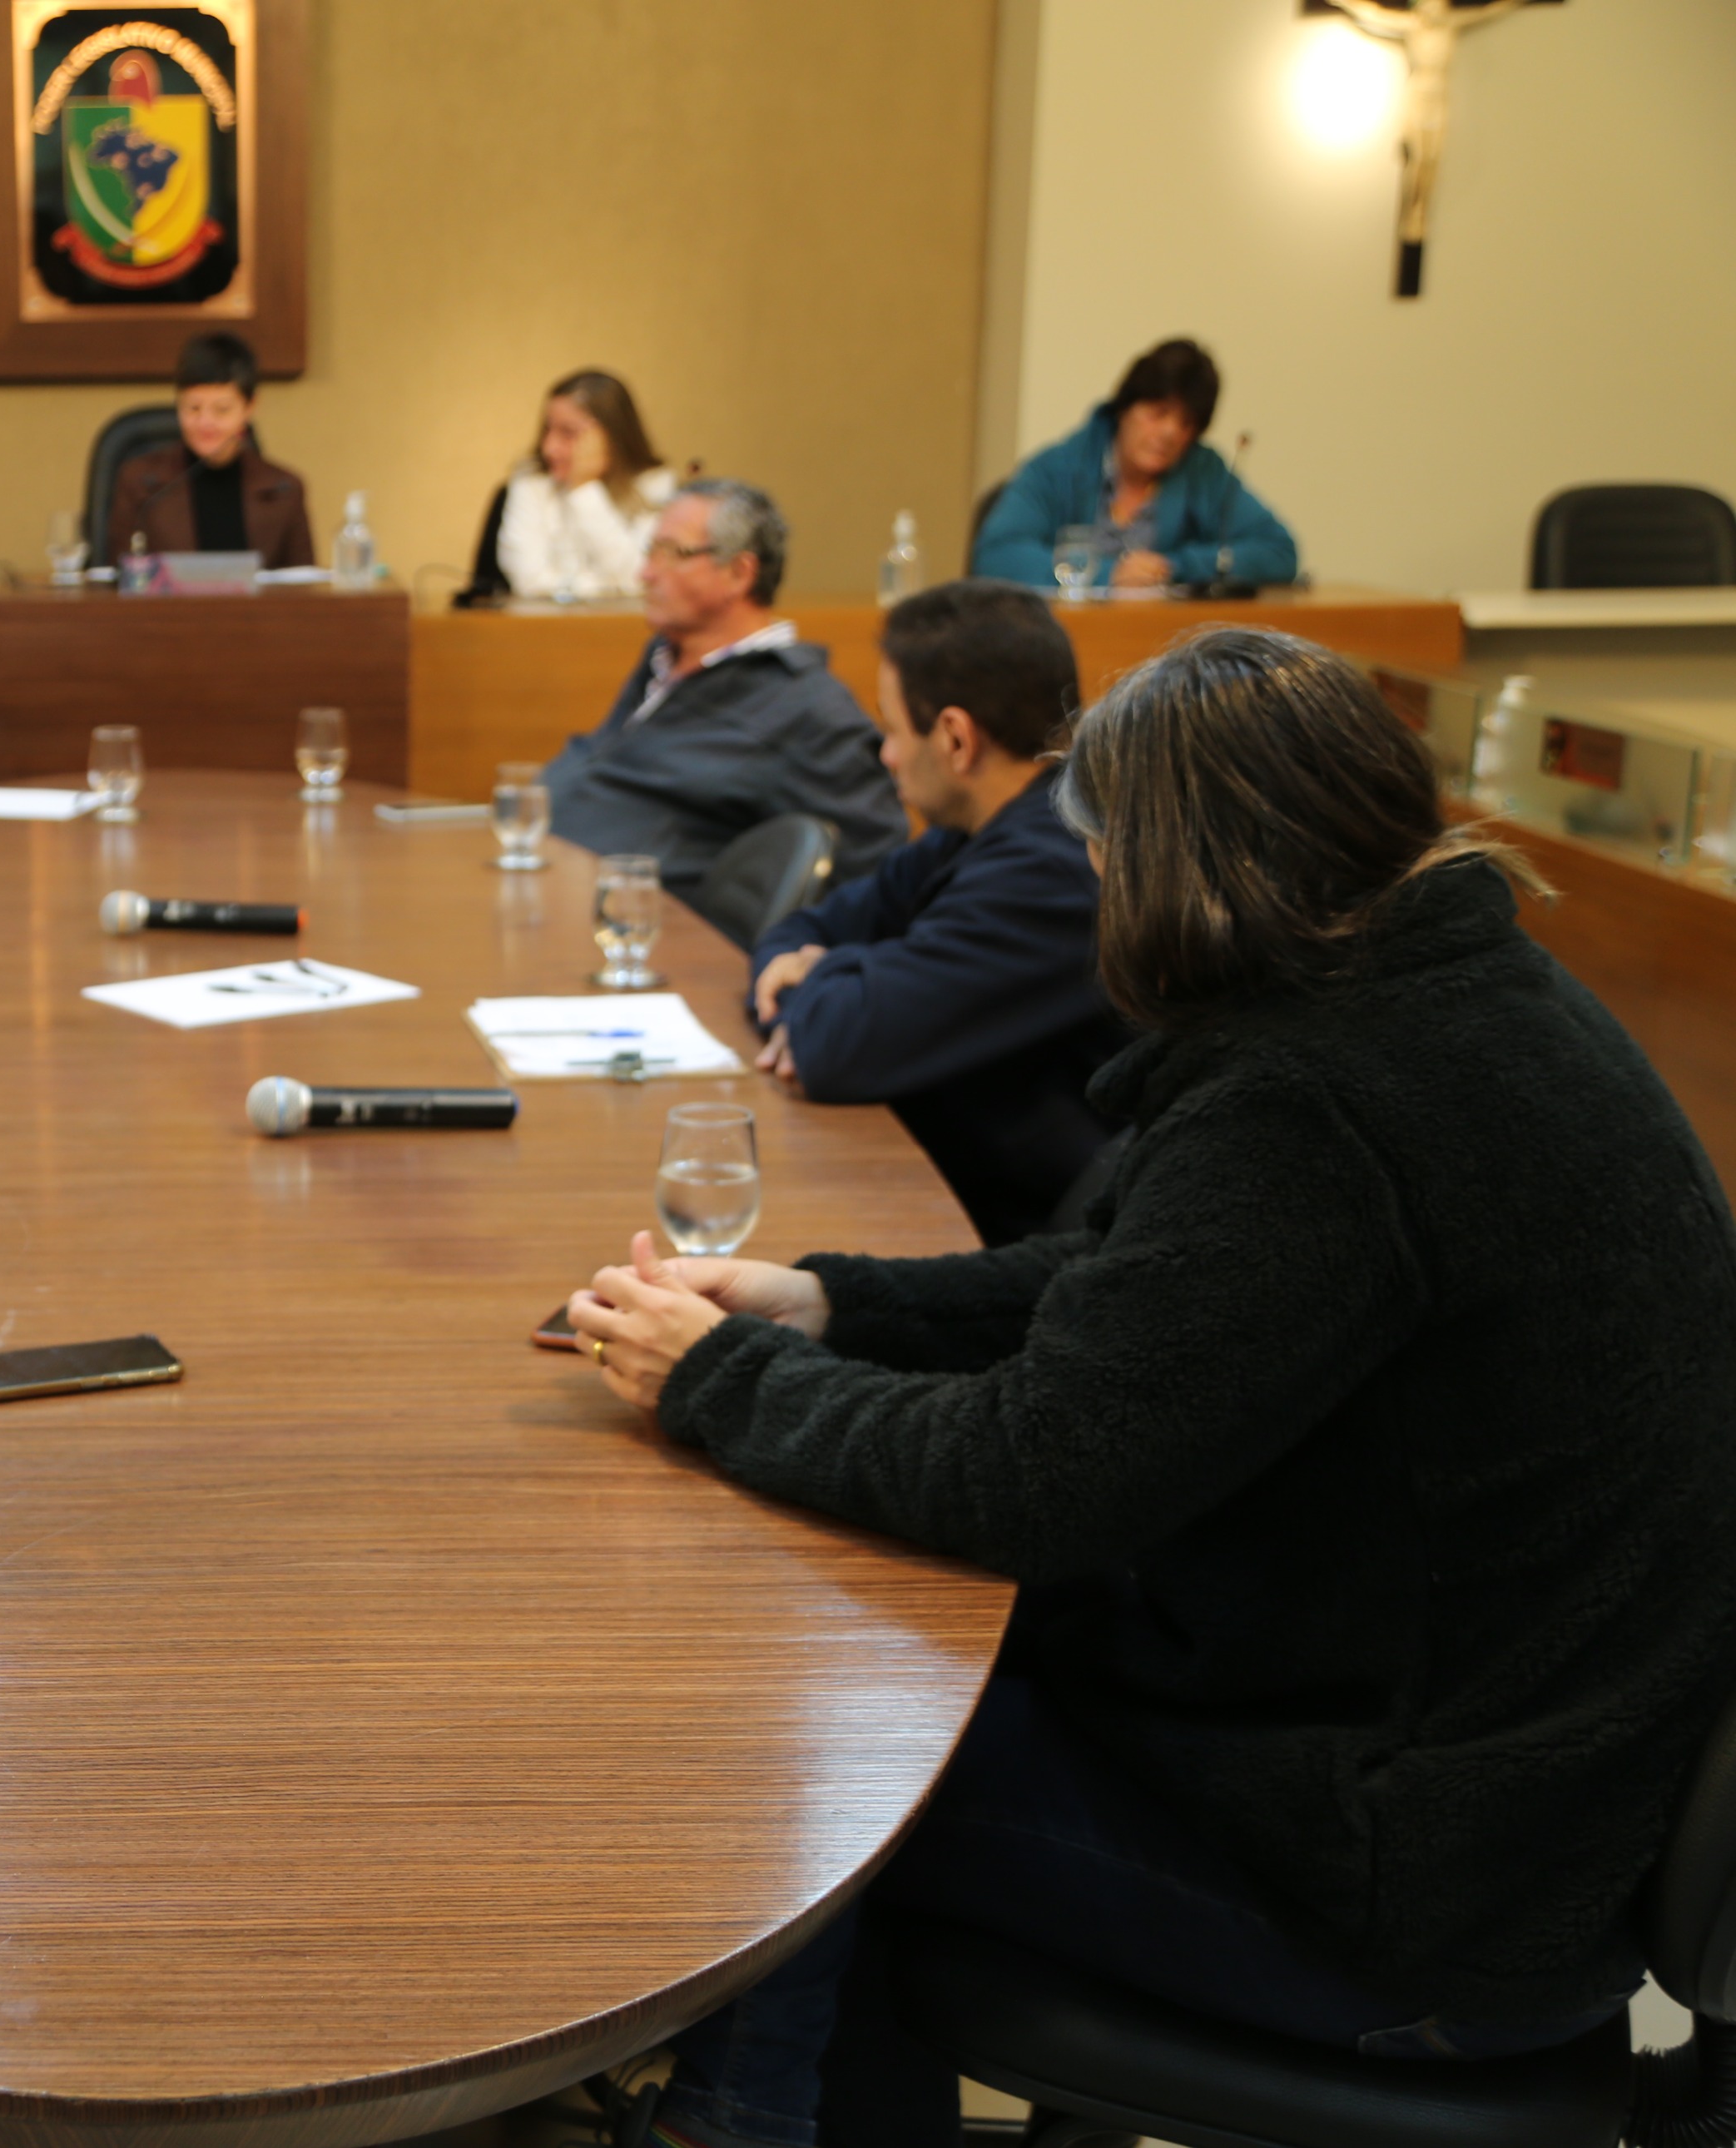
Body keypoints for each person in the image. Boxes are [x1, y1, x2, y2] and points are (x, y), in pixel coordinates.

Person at [568, 627, 1736, 2148]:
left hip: (1420, 1901)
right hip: (1495, 1811)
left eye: (1107, 851)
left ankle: (732, 2126)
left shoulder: (1317, 1104)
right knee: (879, 1675)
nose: (1096, 885)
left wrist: (719, 1377)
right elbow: (1143, 1287)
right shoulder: (1448, 996)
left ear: (1179, 867)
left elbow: (1031, 1476)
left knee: (812, 1754)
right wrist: (832, 1301)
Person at [748, 581, 1123, 1245]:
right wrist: (833, 973)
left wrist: (828, 973)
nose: (886, 754)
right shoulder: (974, 830)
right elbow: (799, 932)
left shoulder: (1051, 871)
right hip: (933, 1185)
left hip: (1007, 1245)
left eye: (892, 728)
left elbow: (834, 1046)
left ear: (955, 738)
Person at [538, 479, 905, 900]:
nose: (646, 573)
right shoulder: (663, 658)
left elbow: (875, 858)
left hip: (646, 925)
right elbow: (607, 768)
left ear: (738, 573)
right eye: (650, 551)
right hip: (548, 883)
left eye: (673, 554)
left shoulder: (808, 706)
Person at [974, 337, 1297, 593]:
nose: (1170, 433)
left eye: (1186, 423)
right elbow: (996, 556)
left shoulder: (1203, 471)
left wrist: (1175, 567)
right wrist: (1108, 575)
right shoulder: (1057, 468)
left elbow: (1278, 552)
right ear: (1124, 408)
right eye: (1158, 413)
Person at [106, 331, 314, 569]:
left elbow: (303, 585)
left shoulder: (285, 489)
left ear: (249, 407)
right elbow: (119, 578)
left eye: (222, 410)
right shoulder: (140, 483)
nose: (205, 423)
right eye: (193, 408)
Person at [490, 370, 675, 601]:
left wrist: (584, 489)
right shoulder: (532, 481)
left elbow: (639, 578)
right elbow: (529, 581)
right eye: (548, 429)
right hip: (543, 621)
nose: (549, 448)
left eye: (568, 433)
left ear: (612, 436)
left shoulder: (655, 483)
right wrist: (601, 587)